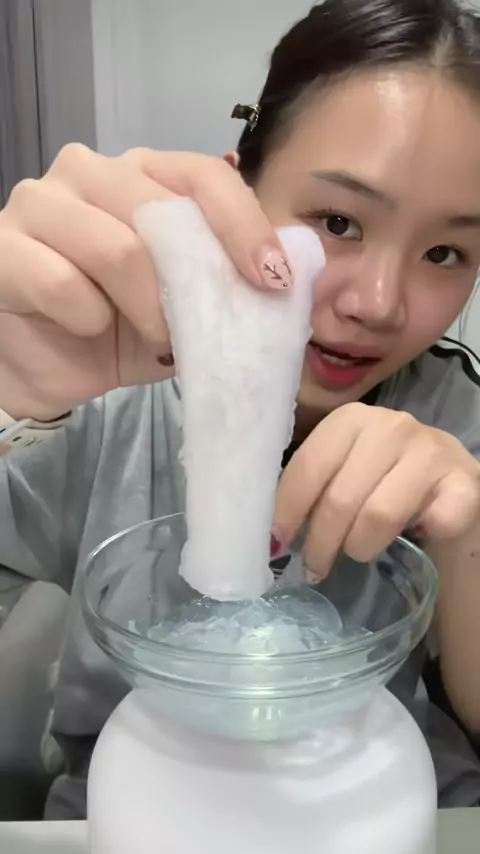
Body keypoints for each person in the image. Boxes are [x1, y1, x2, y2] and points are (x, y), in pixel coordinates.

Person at [1, 0, 480, 818]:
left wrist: (466, 533)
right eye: (338, 221)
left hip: (371, 810)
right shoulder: (105, 399)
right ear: (234, 194)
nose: (377, 304)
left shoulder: (459, 417)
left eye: (446, 251)